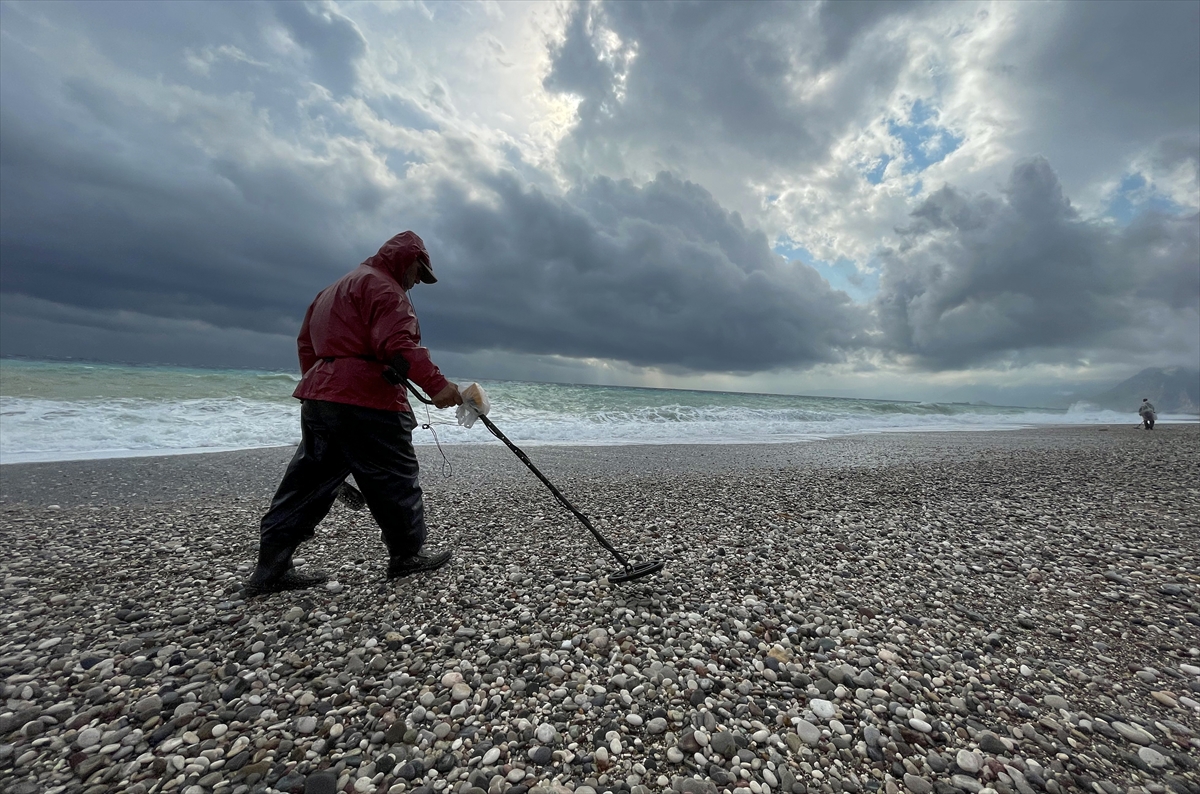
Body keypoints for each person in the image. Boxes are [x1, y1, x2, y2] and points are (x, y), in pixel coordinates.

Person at [245, 231, 463, 596]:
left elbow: (306, 345)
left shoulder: (331, 290)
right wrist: (437, 386)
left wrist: (318, 388)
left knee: (304, 485)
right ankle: (407, 557)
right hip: (368, 402)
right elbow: (398, 346)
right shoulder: (386, 290)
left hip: (322, 397)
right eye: (417, 273)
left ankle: (270, 570)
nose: (416, 283)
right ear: (405, 260)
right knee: (395, 479)